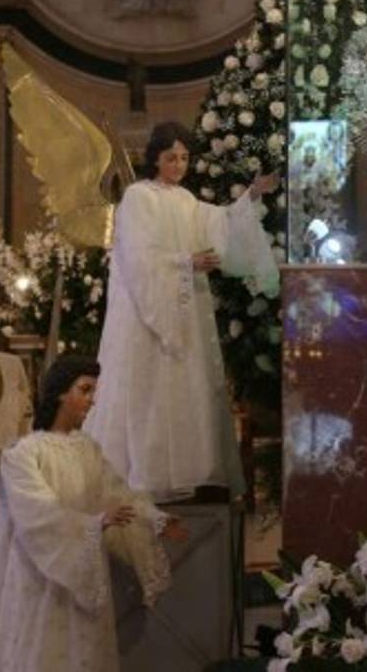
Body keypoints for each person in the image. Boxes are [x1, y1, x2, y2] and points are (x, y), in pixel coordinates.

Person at [84, 121, 280, 502]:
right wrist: (184, 263)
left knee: (185, 386)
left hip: (185, 307)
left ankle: (191, 469)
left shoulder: (184, 199)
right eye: (171, 157)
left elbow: (220, 223)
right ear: (155, 158)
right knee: (150, 389)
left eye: (185, 158)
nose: (179, 165)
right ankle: (145, 471)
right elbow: (137, 257)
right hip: (147, 317)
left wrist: (252, 195)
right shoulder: (139, 197)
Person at [0, 356, 189, 672]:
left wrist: (155, 519)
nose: (91, 400)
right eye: (84, 390)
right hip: (39, 578)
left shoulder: (88, 449)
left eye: (93, 391)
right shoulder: (23, 454)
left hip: (83, 570)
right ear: (60, 393)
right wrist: (93, 524)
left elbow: (118, 493)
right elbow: (37, 513)